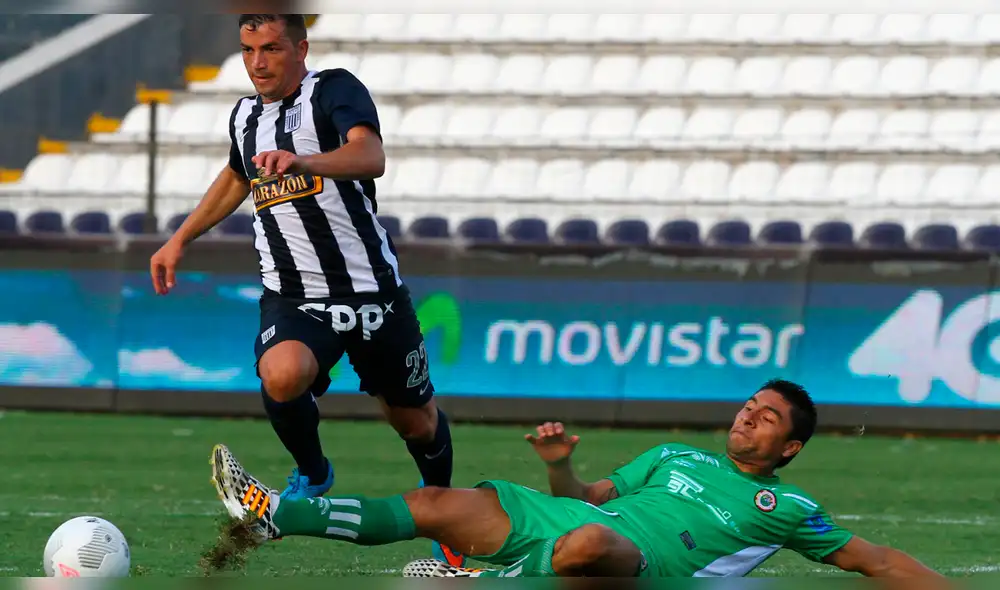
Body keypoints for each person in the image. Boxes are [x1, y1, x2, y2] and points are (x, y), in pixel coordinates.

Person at [149, 13, 463, 566]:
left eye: (271, 48)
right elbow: (237, 175)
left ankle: (448, 516)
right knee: (282, 372)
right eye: (248, 50)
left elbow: (371, 156)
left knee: (416, 422)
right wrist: (179, 239)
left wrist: (304, 161)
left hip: (373, 293)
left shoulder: (333, 89)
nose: (258, 63)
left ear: (301, 48)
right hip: (296, 297)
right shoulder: (244, 116)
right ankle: (314, 473)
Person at [207, 379, 943, 578]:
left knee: (589, 547)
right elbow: (584, 500)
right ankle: (274, 514)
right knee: (434, 502)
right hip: (572, 519)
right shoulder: (673, 456)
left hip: (641, 564)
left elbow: (876, 561)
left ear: (791, 447)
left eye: (768, 417)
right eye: (750, 406)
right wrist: (560, 465)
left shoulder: (787, 505)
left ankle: (480, 581)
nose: (749, 417)